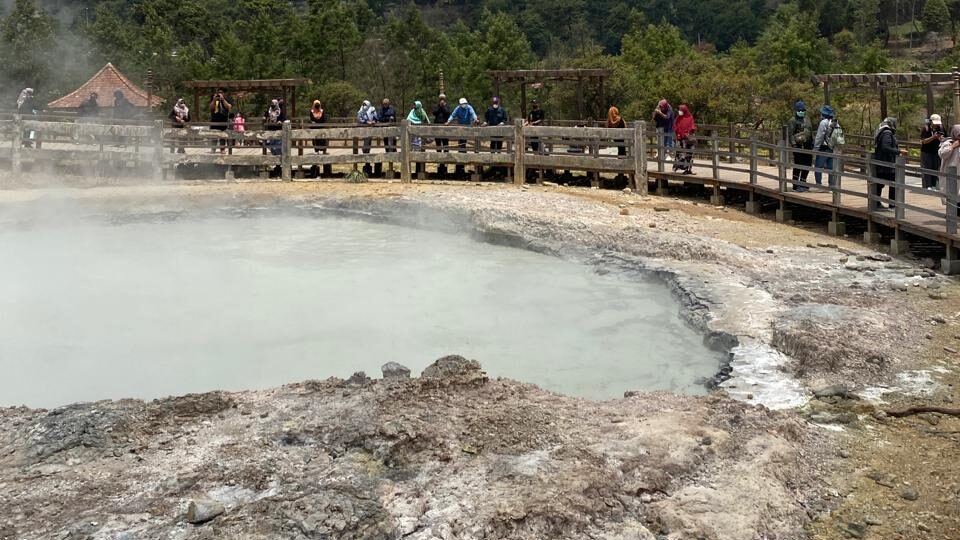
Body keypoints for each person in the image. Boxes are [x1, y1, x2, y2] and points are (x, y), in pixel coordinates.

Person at [872, 117, 900, 211]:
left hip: (881, 163)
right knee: (894, 183)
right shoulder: (887, 133)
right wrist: (898, 151)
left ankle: (876, 203)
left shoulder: (882, 131)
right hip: (886, 163)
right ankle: (892, 205)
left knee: (879, 184)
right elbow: (885, 147)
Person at [446, 97, 478, 177]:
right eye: (462, 104)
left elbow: (473, 114)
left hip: (467, 127)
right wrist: (448, 121)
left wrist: (475, 119)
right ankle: (461, 160)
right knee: (461, 143)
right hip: (461, 127)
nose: (464, 105)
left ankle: (464, 155)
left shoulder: (469, 108)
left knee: (467, 143)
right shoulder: (458, 109)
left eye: (465, 104)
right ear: (460, 105)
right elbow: (452, 115)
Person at [813, 104, 841, 187]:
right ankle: (831, 185)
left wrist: (816, 147)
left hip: (823, 148)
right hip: (832, 148)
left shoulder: (823, 122)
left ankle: (819, 184)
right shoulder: (835, 122)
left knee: (818, 166)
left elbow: (819, 136)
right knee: (831, 167)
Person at [789, 100, 813, 192]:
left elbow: (810, 132)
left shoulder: (807, 119)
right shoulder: (792, 121)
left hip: (808, 146)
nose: (801, 112)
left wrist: (812, 142)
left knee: (807, 164)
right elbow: (790, 134)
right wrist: (794, 144)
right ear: (796, 110)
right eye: (799, 110)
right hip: (798, 147)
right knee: (798, 165)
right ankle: (795, 184)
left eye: (803, 110)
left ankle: (803, 182)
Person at [920, 114, 945, 190]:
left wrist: (941, 139)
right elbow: (923, 141)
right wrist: (933, 137)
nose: (936, 124)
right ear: (931, 121)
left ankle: (934, 184)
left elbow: (945, 138)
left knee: (935, 167)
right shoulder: (926, 129)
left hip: (936, 151)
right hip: (926, 152)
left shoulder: (941, 128)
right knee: (927, 168)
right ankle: (928, 185)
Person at [407, 100, 430, 175]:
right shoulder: (412, 111)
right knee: (413, 148)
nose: (414, 106)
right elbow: (408, 119)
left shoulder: (422, 112)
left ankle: (420, 169)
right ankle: (412, 169)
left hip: (421, 131)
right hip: (413, 132)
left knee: (420, 149)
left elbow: (425, 120)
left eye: (415, 105)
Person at [939, 124, 960, 204]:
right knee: (950, 196)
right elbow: (942, 154)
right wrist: (952, 146)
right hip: (949, 172)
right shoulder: (947, 143)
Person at [673, 103, 696, 174]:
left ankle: (688, 169)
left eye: (681, 110)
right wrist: (678, 134)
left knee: (689, 154)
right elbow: (675, 126)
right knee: (681, 154)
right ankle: (679, 167)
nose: (679, 111)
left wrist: (688, 132)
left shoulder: (690, 117)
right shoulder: (678, 118)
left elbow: (692, 127)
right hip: (680, 139)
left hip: (688, 139)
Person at [432, 94, 451, 176]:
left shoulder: (447, 107)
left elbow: (448, 113)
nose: (441, 100)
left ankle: (446, 163)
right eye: (440, 99)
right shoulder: (436, 107)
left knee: (446, 145)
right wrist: (440, 106)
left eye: (443, 99)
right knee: (438, 146)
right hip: (437, 128)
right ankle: (439, 163)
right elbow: (434, 113)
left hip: (445, 129)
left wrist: (443, 107)